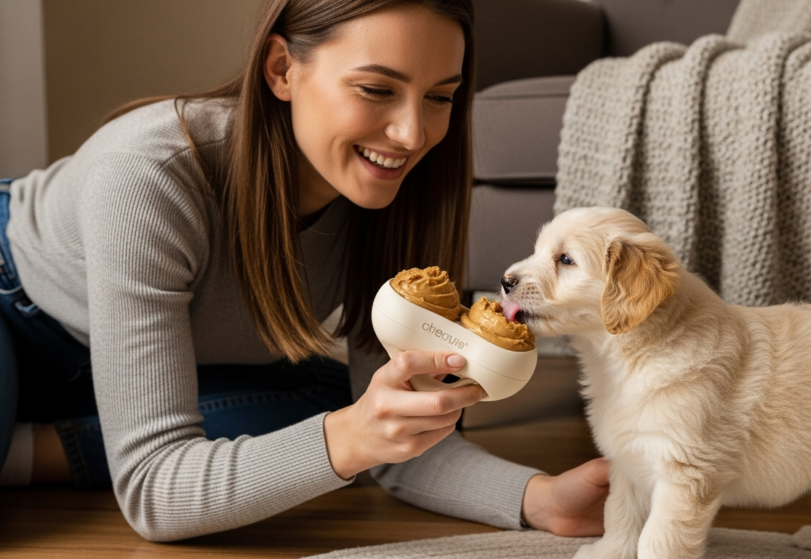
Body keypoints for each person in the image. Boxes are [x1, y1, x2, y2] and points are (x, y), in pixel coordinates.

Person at [0, 0, 608, 542]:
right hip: (16, 310)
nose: (412, 133)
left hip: (122, 357)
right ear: (281, 70)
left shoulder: (395, 201)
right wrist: (350, 439)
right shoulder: (149, 175)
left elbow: (404, 446)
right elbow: (157, 498)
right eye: (376, 89)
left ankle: (37, 448)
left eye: (440, 96)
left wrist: (544, 502)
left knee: (357, 403)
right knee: (337, 427)